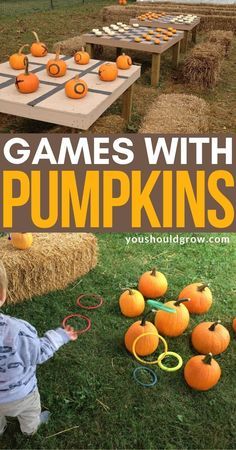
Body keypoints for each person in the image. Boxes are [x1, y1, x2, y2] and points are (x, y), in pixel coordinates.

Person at [0, 260, 78, 436]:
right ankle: (30, 430)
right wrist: (60, 336)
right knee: (30, 413)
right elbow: (39, 352)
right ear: (2, 295)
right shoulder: (18, 331)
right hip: (22, 395)